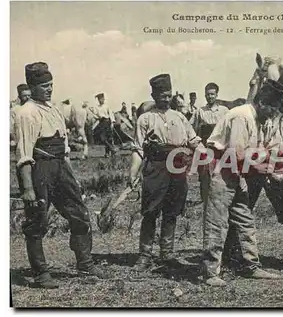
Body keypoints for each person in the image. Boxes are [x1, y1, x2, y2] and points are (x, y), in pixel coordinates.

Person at [15, 62, 108, 289]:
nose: (49, 89)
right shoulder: (26, 113)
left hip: (60, 167)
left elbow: (64, 147)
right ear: (32, 86)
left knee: (79, 213)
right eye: (44, 86)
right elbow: (24, 154)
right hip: (40, 169)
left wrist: (71, 176)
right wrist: (27, 188)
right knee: (38, 219)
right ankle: (41, 273)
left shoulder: (54, 109)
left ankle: (85, 263)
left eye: (51, 85)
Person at [200, 79, 283, 287]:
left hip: (237, 172)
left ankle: (251, 266)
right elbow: (236, 154)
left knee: (245, 219)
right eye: (272, 107)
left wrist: (270, 165)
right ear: (263, 103)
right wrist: (262, 169)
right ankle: (210, 272)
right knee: (217, 221)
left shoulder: (260, 119)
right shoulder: (242, 116)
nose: (274, 112)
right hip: (220, 168)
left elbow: (267, 148)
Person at [222, 68, 283, 272]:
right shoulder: (264, 105)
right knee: (242, 208)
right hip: (256, 162)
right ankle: (228, 256)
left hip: (278, 164)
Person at [129, 74, 202, 272]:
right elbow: (138, 149)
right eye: (161, 95)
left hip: (178, 167)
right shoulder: (145, 119)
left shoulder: (179, 117)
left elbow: (193, 140)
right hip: (156, 166)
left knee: (172, 210)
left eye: (169, 95)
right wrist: (133, 173)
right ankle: (145, 254)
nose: (166, 98)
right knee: (151, 211)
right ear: (153, 94)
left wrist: (208, 153)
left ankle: (167, 253)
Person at [190, 83, 229, 202]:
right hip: (206, 149)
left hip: (221, 148)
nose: (210, 97)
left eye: (212, 94)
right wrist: (198, 143)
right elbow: (192, 128)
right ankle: (205, 200)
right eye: (207, 94)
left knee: (221, 174)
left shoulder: (224, 111)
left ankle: (219, 200)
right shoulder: (199, 112)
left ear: (217, 95)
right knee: (205, 175)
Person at [94, 93, 116, 157]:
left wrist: (112, 123)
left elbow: (111, 114)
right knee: (102, 138)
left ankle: (107, 153)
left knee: (109, 138)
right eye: (99, 99)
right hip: (101, 122)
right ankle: (112, 149)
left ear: (104, 99)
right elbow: (95, 115)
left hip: (107, 122)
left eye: (102, 99)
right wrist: (98, 117)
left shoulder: (107, 106)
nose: (101, 100)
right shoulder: (96, 107)